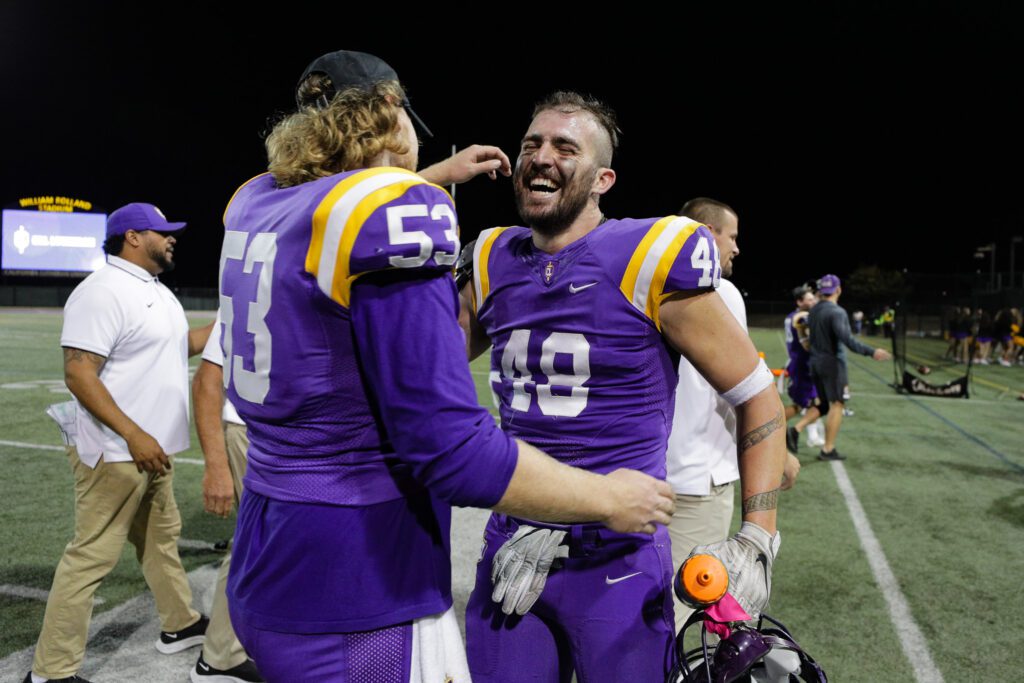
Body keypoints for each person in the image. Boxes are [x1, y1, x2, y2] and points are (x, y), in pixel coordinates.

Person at [219, 51, 674, 683]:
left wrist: (423, 174)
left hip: (265, 553)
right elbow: (453, 450)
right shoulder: (394, 208)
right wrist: (605, 497)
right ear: (387, 112)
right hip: (360, 583)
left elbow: (323, 202)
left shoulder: (254, 202)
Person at [459, 92, 787, 682]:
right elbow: (420, 374)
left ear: (602, 178)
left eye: (565, 147)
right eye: (532, 143)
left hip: (616, 558)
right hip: (513, 541)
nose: (541, 156)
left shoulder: (647, 257)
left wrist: (758, 535)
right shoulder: (490, 259)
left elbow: (758, 395)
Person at [25, 203, 214, 683]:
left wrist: (233, 320)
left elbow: (179, 347)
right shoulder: (102, 291)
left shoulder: (151, 289)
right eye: (163, 232)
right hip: (116, 452)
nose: (172, 238)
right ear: (132, 237)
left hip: (150, 452)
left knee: (160, 541)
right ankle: (51, 672)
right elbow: (78, 372)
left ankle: (180, 624)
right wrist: (134, 434)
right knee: (90, 557)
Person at [665, 197, 799, 634]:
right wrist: (779, 456)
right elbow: (741, 395)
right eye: (732, 236)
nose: (737, 248)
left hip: (643, 475)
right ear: (705, 233)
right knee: (680, 623)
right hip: (697, 484)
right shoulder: (719, 290)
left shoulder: (651, 282)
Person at [190, 313, 263, 683]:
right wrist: (215, 466)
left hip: (279, 431)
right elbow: (207, 380)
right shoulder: (259, 274)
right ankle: (219, 655)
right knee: (253, 541)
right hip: (256, 431)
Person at [806, 274, 891, 461]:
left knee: (825, 405)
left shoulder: (813, 310)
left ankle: (794, 430)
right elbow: (849, 341)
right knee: (837, 404)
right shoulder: (837, 312)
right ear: (838, 290)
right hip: (832, 364)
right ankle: (828, 449)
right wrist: (872, 351)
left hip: (815, 362)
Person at [784, 285, 822, 451]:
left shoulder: (793, 316)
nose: (813, 301)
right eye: (809, 299)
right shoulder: (802, 317)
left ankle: (812, 436)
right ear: (800, 301)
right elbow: (808, 345)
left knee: (814, 402)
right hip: (803, 366)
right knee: (801, 404)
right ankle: (770, 428)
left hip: (800, 363)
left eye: (813, 298)